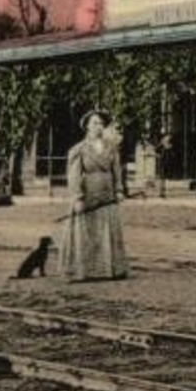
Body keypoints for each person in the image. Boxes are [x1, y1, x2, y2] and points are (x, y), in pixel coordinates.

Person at [61, 110, 129, 282]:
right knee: (88, 232)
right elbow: (74, 175)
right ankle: (86, 270)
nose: (98, 127)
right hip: (89, 194)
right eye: (94, 123)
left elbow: (117, 171)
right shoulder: (79, 149)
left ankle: (111, 269)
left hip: (107, 193)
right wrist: (77, 197)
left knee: (107, 230)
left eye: (101, 124)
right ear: (87, 127)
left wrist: (119, 189)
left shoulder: (111, 147)